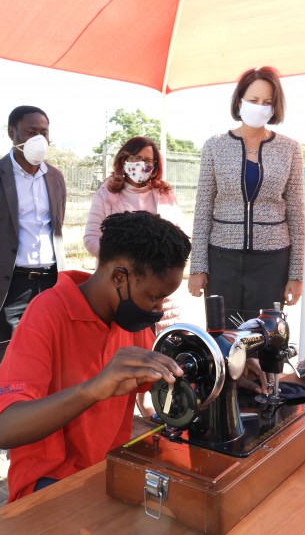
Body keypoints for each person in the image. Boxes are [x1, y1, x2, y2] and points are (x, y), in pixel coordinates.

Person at [0, 210, 191, 501]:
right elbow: (6, 429)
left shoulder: (126, 319)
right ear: (119, 277)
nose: (158, 308)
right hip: (47, 484)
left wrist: (220, 367)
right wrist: (94, 388)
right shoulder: (47, 314)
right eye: (154, 297)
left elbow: (160, 381)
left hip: (104, 470)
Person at [0, 105, 66, 482]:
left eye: (44, 130)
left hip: (49, 283)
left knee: (52, 360)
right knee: (5, 361)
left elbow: (56, 228)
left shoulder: (55, 178)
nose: (39, 138)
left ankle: (41, 436)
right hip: (12, 285)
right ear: (12, 133)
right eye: (30, 130)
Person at [188, 66, 305, 326]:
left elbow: (297, 213)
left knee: (265, 340)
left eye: (267, 102)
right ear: (239, 101)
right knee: (223, 337)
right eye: (253, 100)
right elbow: (203, 209)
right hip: (222, 259)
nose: (260, 107)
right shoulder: (215, 146)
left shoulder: (290, 149)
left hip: (272, 262)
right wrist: (198, 267)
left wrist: (297, 274)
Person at [83, 137, 186, 419]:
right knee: (129, 342)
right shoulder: (108, 193)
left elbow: (178, 235)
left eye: (148, 161)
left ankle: (156, 396)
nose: (141, 165)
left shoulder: (164, 192)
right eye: (134, 158)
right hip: (125, 288)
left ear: (155, 166)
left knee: (162, 342)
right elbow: (92, 238)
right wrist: (127, 262)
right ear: (123, 161)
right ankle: (134, 402)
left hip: (159, 289)